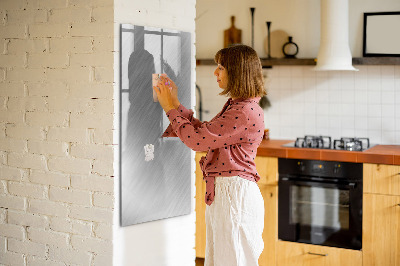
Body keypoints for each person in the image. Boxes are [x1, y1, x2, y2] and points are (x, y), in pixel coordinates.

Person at [153, 44, 267, 266]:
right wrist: (175, 103)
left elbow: (197, 141)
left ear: (237, 72)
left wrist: (169, 108)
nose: (215, 72)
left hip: (234, 196)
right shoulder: (239, 106)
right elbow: (205, 133)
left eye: (221, 67)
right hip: (228, 194)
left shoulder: (243, 111)